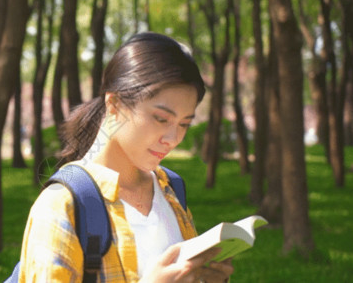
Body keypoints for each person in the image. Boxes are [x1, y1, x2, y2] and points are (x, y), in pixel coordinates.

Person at [17, 32, 233, 282]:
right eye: (161, 119)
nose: (173, 138)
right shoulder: (62, 205)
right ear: (114, 105)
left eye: (184, 123)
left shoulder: (170, 190)